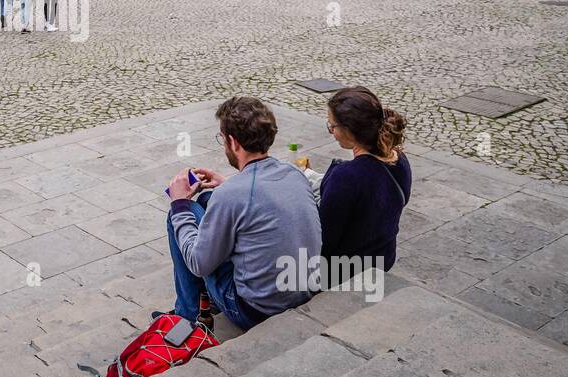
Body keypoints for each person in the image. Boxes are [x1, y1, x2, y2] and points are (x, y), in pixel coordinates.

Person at [165, 96, 321, 330]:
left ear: (233, 142)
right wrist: (227, 184)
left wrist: (179, 204)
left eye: (222, 139)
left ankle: (185, 315)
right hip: (302, 290)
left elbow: (198, 263)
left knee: (181, 216)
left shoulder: (230, 195)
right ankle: (196, 305)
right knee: (207, 199)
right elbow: (254, 197)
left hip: (254, 310)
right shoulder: (292, 172)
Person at [316, 87, 411, 280]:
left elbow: (323, 240)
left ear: (349, 130)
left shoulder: (346, 177)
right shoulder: (400, 160)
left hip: (345, 271)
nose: (331, 131)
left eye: (332, 126)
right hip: (383, 258)